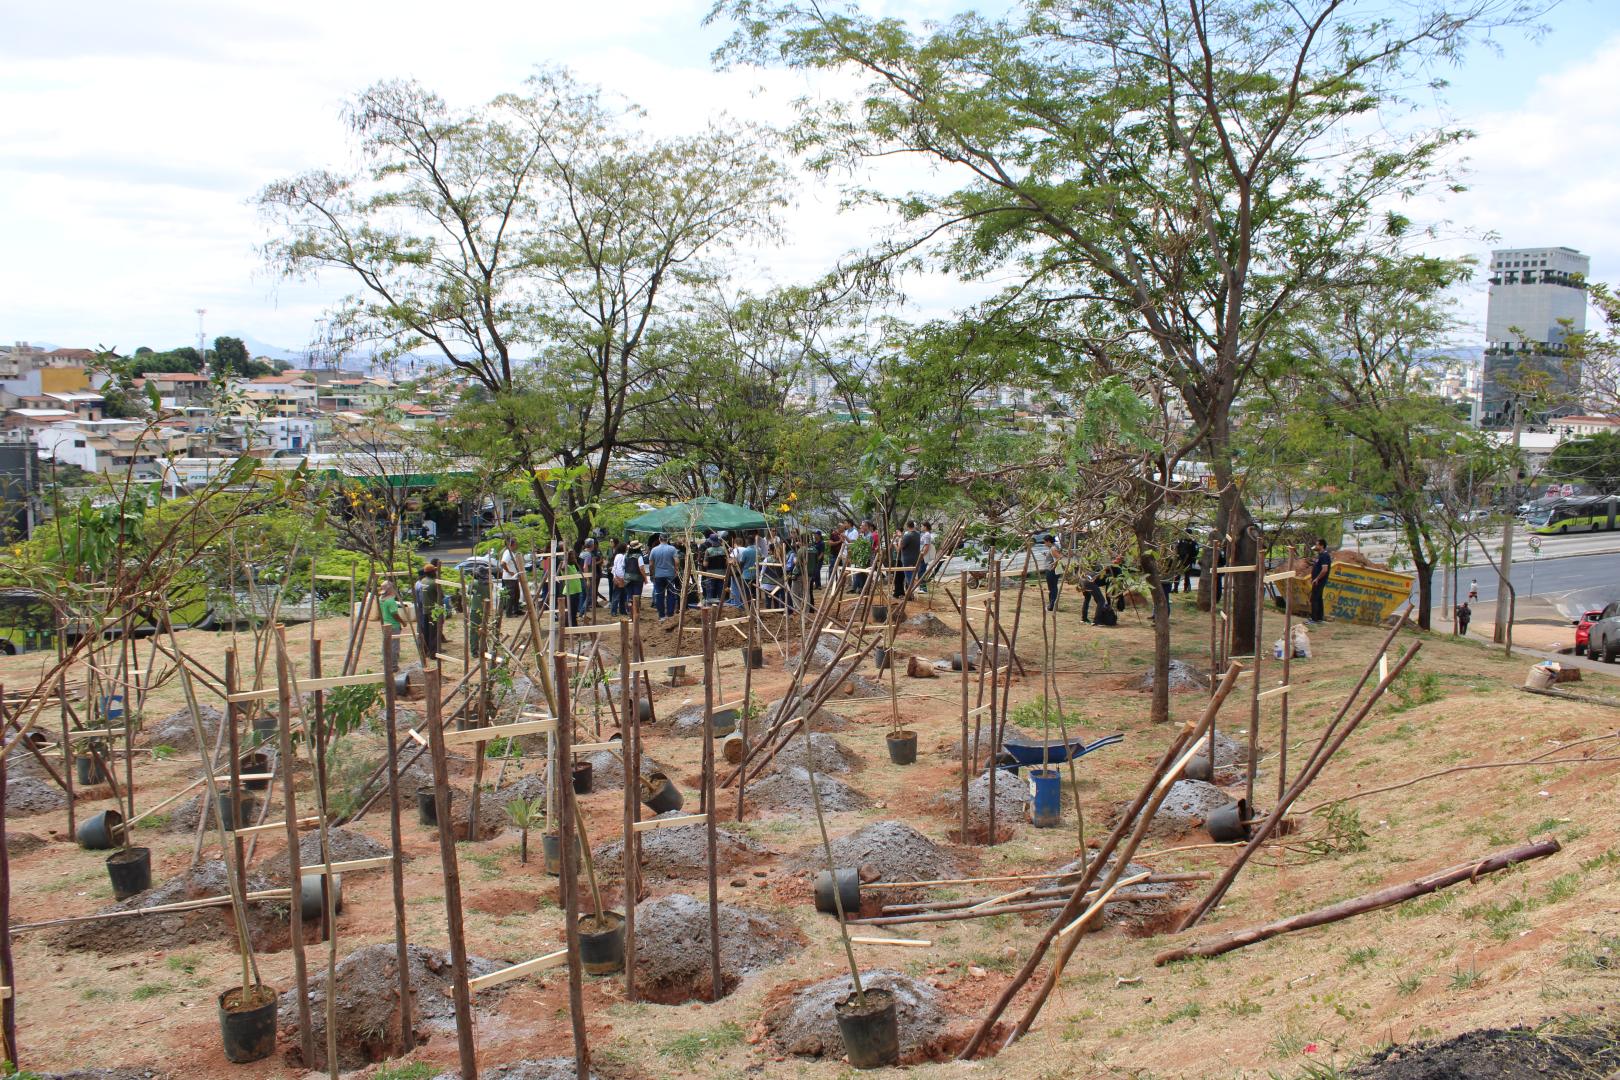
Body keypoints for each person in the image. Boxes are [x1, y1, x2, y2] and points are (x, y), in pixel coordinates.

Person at [412, 564, 444, 662]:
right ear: (431, 572)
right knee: (435, 632)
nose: (436, 572)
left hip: (425, 610)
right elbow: (441, 596)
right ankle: (434, 653)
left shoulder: (422, 581)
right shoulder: (435, 583)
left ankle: (426, 650)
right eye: (434, 571)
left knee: (427, 631)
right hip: (435, 610)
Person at [648, 533, 680, 619]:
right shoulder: (672, 549)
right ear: (667, 539)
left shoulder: (654, 550)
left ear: (659, 539)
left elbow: (651, 564)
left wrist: (652, 573)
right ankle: (670, 614)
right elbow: (677, 561)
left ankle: (661, 615)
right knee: (671, 594)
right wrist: (676, 570)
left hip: (658, 575)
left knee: (659, 595)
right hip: (670, 575)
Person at [615, 541, 646, 616]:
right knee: (637, 596)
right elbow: (641, 568)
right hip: (637, 578)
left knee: (629, 596)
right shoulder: (639, 556)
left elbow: (623, 566)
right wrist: (645, 578)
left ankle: (630, 612)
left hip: (627, 578)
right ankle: (636, 613)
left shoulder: (626, 556)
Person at [378, 581, 403, 669]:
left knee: (386, 644)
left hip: (386, 624)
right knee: (394, 646)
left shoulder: (381, 598)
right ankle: (393, 666)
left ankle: (386, 662)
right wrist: (403, 622)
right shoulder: (390, 601)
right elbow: (394, 614)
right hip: (393, 625)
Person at [1310, 537, 1332, 623]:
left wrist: (1317, 579)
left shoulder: (1325, 556)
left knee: (1314, 598)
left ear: (1322, 546)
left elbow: (1324, 570)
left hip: (1320, 581)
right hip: (1316, 580)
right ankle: (1319, 618)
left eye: (1317, 544)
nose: (1315, 546)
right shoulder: (1320, 555)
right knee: (1318, 598)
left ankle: (1314, 619)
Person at [897, 521, 922, 598]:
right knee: (912, 577)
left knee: (909, 578)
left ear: (907, 526)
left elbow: (899, 548)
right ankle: (911, 594)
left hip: (907, 559)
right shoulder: (918, 534)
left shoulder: (907, 536)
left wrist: (900, 537)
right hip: (916, 558)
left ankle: (910, 595)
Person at [498, 536, 522, 617]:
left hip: (513, 577)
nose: (517, 545)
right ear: (511, 545)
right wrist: (509, 571)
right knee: (510, 596)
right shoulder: (508, 553)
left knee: (516, 595)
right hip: (509, 578)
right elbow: (503, 563)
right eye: (515, 544)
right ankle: (509, 613)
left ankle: (516, 610)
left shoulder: (511, 553)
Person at [1039, 534, 1062, 611]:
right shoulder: (1055, 546)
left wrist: (1053, 566)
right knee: (1053, 588)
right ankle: (1053, 605)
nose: (1044, 544)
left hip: (1051, 571)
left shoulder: (1053, 548)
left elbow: (1059, 557)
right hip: (1054, 570)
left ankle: (1052, 606)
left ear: (1048, 541)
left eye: (1044, 542)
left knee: (1052, 588)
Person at [605, 539, 625, 615]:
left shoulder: (618, 555)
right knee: (617, 595)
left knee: (622, 595)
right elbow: (619, 568)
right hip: (619, 578)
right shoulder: (621, 556)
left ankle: (622, 610)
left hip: (616, 577)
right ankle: (614, 611)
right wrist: (620, 578)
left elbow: (614, 567)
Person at [918, 521, 936, 590]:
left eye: (922, 526)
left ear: (925, 527)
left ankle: (923, 588)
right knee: (921, 571)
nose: (921, 527)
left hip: (924, 556)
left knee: (921, 572)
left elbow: (926, 546)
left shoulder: (927, 535)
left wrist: (922, 555)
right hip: (924, 555)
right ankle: (922, 588)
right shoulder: (926, 534)